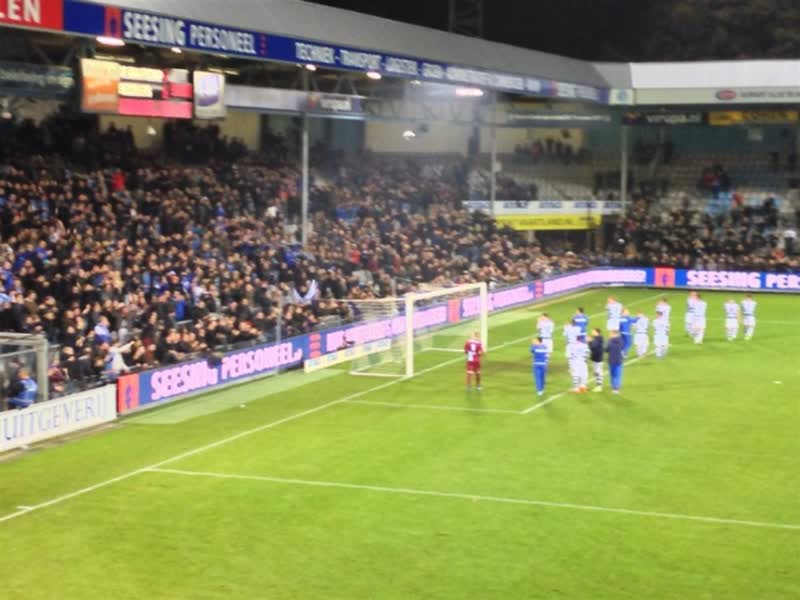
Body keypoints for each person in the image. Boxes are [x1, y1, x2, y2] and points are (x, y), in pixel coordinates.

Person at [588, 328, 604, 392]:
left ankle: (599, 386)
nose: (592, 332)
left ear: (597, 332)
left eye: (593, 331)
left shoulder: (598, 338)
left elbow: (593, 347)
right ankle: (598, 385)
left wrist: (589, 341)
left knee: (598, 372)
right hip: (596, 357)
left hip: (598, 358)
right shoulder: (597, 338)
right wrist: (591, 341)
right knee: (596, 372)